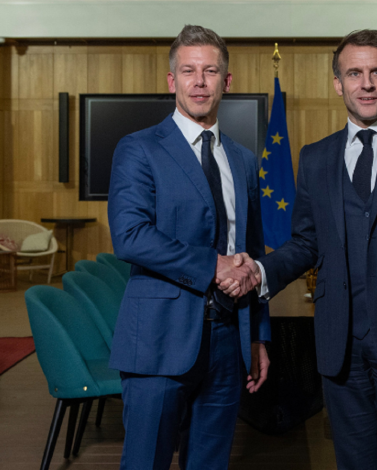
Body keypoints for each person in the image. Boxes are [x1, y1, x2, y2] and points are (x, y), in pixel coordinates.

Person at [224, 29, 377, 469]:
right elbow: (306, 242)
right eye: (354, 73)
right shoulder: (315, 157)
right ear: (338, 83)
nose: (367, 84)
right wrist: (259, 272)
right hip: (340, 349)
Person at [107, 24, 270, 470]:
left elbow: (253, 255)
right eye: (188, 71)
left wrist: (258, 336)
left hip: (228, 340)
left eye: (210, 71)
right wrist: (214, 265)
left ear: (226, 81)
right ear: (171, 80)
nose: (199, 82)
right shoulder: (138, 149)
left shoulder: (242, 159)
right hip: (159, 340)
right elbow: (130, 235)